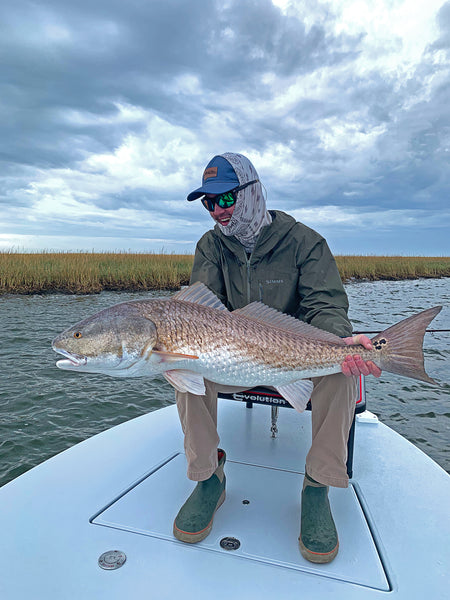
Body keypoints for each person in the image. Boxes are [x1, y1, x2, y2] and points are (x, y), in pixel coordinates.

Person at [173, 152, 381, 563]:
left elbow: (326, 306)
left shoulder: (305, 242)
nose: (217, 212)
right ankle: (209, 477)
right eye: (208, 203)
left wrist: (338, 341)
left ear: (251, 193)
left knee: (340, 372)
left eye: (225, 199)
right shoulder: (210, 245)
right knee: (183, 364)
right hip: (232, 359)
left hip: (297, 357)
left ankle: (317, 484)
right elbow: (198, 310)